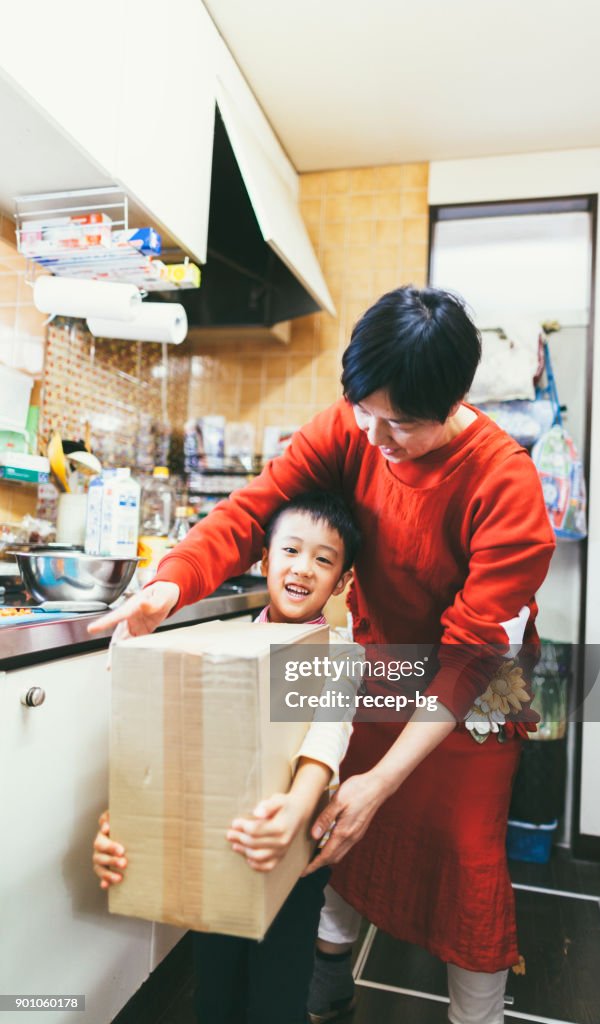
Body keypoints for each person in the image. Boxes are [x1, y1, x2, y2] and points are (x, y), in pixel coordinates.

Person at [90, 286, 556, 1024]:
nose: (375, 439)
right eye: (365, 414)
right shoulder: (355, 426)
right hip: (379, 663)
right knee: (339, 835)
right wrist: (168, 586)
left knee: (465, 858)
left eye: (399, 425)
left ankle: (478, 1014)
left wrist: (381, 783)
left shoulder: (507, 484)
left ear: (455, 401)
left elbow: (471, 655)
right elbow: (252, 511)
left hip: (472, 690)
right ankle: (327, 986)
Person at [92, 491, 362, 1024]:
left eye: (324, 559)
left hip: (296, 864)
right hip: (218, 850)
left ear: (345, 581)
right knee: (214, 999)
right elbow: (172, 745)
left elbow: (326, 740)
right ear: (264, 560)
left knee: (277, 1004)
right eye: (290, 551)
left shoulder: (340, 652)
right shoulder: (221, 646)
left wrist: (297, 805)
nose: (303, 569)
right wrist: (124, 819)